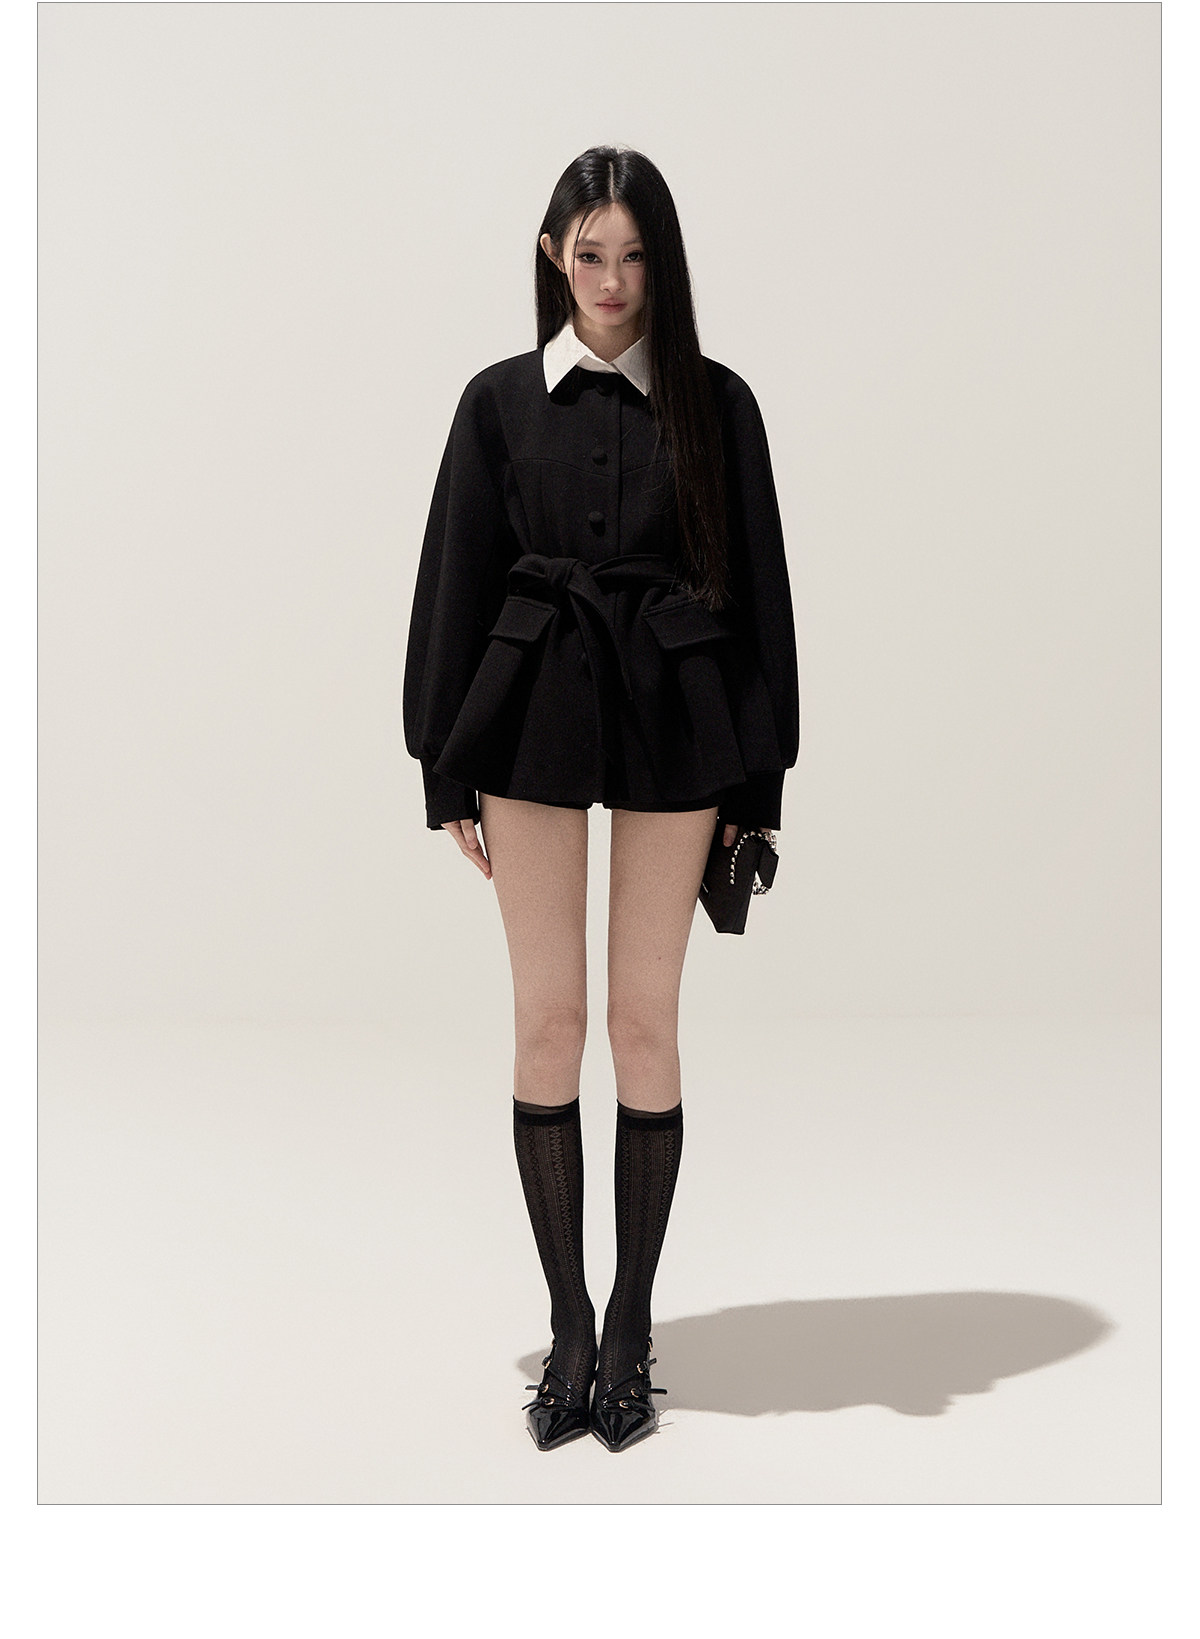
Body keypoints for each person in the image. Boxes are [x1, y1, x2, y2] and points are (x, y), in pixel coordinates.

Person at [402, 146, 799, 1453]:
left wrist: (759, 786)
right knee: (547, 1021)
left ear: (661, 262)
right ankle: (568, 1326)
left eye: (634, 256)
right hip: (528, 715)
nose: (613, 281)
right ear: (553, 256)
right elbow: (453, 578)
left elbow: (762, 597)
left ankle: (632, 1323)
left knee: (641, 1023)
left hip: (680, 721)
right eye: (591, 255)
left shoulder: (717, 405)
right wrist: (442, 764)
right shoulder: (497, 403)